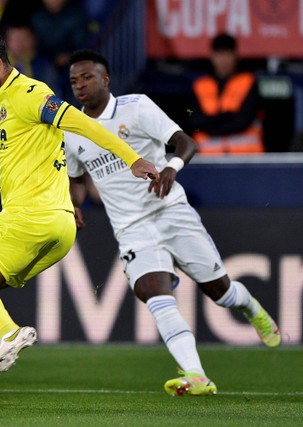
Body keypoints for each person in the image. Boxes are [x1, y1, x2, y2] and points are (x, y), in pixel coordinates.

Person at [0, 30, 159, 407]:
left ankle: (9, 333)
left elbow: (84, 124)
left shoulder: (31, 95)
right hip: (58, 225)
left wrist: (132, 159)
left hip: (29, 216)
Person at [64, 49, 281, 397]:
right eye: (74, 80)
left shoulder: (136, 107)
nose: (80, 85)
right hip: (131, 229)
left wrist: (171, 168)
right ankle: (196, 374)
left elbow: (185, 143)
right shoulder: (73, 128)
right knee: (152, 292)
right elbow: (75, 177)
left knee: (222, 294)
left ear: (105, 79)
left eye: (87, 77)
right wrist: (72, 204)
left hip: (171, 212)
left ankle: (251, 307)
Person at [188, 33, 264, 155]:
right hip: (207, 159)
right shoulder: (200, 85)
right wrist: (227, 117)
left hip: (245, 159)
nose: (223, 60)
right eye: (219, 54)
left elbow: (243, 120)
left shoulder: (249, 82)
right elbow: (194, 119)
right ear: (212, 56)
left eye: (227, 54)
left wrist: (211, 123)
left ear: (235, 55)